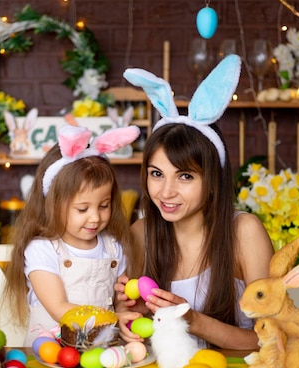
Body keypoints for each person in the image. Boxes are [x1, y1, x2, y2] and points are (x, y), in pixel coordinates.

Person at [115, 55, 274, 350]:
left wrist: (195, 321)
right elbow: (140, 331)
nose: (166, 191)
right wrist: (127, 317)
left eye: (185, 176)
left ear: (212, 178)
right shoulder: (141, 234)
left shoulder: (244, 232)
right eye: (157, 174)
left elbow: (272, 338)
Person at [2, 124, 140, 346]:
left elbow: (118, 302)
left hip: (98, 352)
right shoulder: (42, 249)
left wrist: (124, 308)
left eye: (104, 205)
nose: (95, 217)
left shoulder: (114, 248)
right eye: (82, 209)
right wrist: (115, 320)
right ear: (53, 205)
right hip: (51, 353)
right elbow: (59, 309)